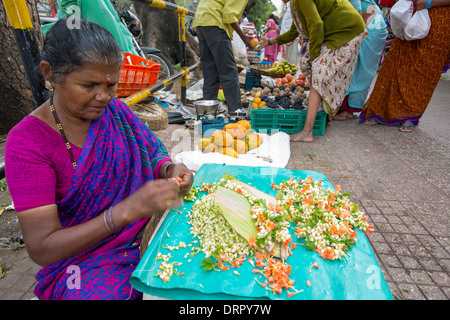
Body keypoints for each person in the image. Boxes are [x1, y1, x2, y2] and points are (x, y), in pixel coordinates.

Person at [4, 18, 194, 300]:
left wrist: (169, 169)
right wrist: (124, 213)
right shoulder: (28, 143)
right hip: (84, 261)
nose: (103, 96)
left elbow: (152, 153)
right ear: (49, 73)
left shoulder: (115, 111)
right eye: (89, 85)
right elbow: (42, 247)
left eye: (111, 85)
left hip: (148, 230)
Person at [258, 0, 367, 142]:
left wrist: (315, 57)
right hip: (333, 33)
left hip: (346, 30)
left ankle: (307, 131)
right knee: (312, 68)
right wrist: (271, 41)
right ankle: (324, 118)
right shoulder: (295, 4)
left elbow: (316, 25)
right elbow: (294, 31)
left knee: (318, 73)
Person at [360, 0, 450, 132]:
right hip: (413, 12)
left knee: (425, 69)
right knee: (397, 61)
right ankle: (378, 109)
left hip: (441, 18)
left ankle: (411, 114)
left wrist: (429, 3)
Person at [192, 0, 255, 113]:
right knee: (228, 71)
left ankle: (207, 112)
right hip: (215, 21)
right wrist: (244, 37)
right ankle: (235, 111)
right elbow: (228, 14)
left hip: (201, 21)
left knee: (210, 72)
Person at [334, 0, 388, 120]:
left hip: (369, 26)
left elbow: (358, 14)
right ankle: (345, 106)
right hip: (372, 23)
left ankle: (348, 108)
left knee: (358, 68)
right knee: (356, 66)